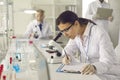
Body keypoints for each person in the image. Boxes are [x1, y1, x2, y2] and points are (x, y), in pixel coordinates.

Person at [56, 11, 119, 80]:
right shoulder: (75, 34)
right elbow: (68, 49)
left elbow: (107, 61)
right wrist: (66, 56)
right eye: (62, 31)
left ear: (76, 23)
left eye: (66, 30)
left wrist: (94, 67)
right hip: (89, 73)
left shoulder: (99, 33)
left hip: (107, 73)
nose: (65, 35)